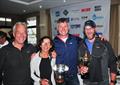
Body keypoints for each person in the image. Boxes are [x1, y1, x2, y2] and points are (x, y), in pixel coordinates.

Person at [78, 20, 117, 85]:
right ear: (84, 31)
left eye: (91, 28)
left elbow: (113, 63)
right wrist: (81, 67)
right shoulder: (80, 45)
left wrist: (113, 81)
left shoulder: (105, 43)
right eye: (86, 29)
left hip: (102, 82)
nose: (88, 31)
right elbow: (78, 61)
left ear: (94, 29)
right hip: (87, 82)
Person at [53, 18, 82, 85]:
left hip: (73, 75)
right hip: (60, 76)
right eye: (60, 26)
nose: (63, 29)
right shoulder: (53, 42)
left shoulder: (75, 39)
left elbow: (88, 41)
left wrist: (98, 37)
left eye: (65, 26)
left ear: (68, 27)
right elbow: (43, 50)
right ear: (57, 28)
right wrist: (35, 54)